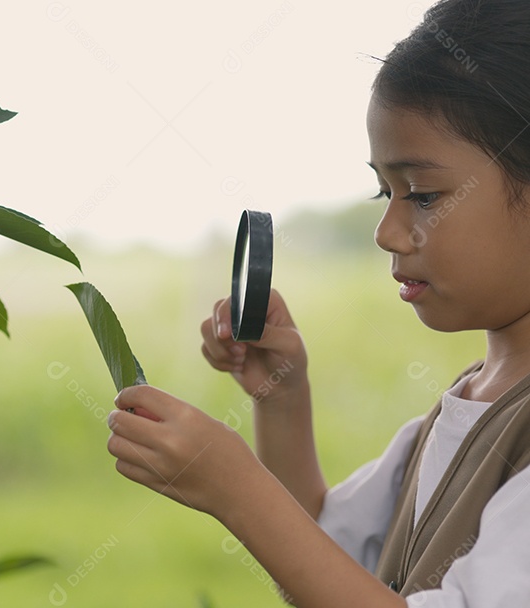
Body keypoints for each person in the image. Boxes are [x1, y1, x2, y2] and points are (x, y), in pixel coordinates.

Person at [106, 1, 530, 606]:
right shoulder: (463, 407)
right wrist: (280, 398)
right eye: (385, 191)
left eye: (426, 195)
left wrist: (235, 488)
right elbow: (324, 558)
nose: (386, 231)